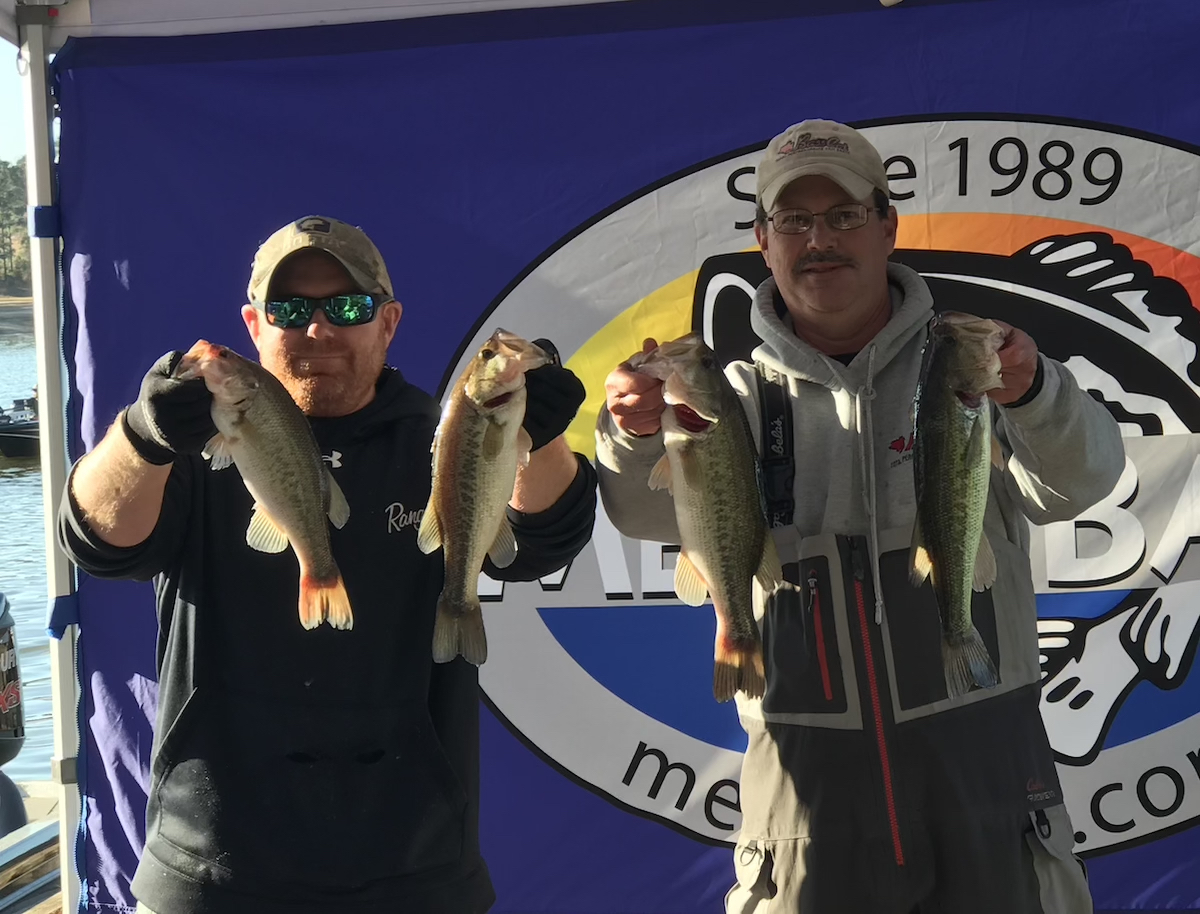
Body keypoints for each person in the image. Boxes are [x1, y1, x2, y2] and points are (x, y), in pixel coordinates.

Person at [596, 120, 1124, 913]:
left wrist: (1038, 393)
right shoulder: (724, 400)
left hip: (988, 783)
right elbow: (642, 515)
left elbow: (1083, 482)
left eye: (843, 215)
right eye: (794, 220)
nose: (820, 240)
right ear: (763, 240)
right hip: (802, 804)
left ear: (887, 226)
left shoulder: (974, 371)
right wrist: (634, 433)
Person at [58, 215, 596, 914]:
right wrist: (143, 434)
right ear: (254, 325)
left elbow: (544, 543)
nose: (318, 330)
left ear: (388, 323)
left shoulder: (437, 434)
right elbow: (96, 543)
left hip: (416, 869)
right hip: (211, 866)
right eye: (290, 310)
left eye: (347, 307)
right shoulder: (195, 439)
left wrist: (538, 436)